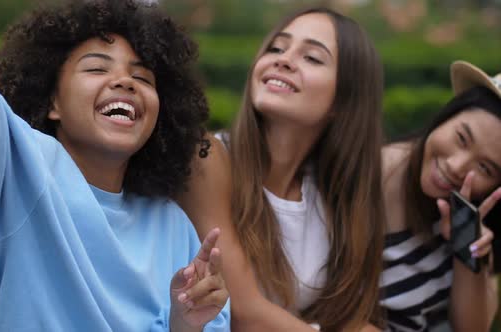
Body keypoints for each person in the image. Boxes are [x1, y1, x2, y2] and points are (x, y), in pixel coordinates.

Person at [0, 0, 230, 331]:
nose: (125, 81)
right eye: (96, 68)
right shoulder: (16, 169)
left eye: (142, 77)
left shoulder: (173, 224)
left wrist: (185, 323)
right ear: (53, 102)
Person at [177, 7, 385, 332]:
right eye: (276, 47)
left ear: (344, 100)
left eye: (312, 58)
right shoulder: (208, 157)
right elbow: (243, 312)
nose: (284, 60)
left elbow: (351, 318)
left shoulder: (332, 191)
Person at [380, 60, 501, 331]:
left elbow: (472, 328)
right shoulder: (375, 175)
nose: (456, 167)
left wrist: (466, 250)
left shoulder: (475, 217)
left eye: (484, 167)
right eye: (461, 138)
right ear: (447, 116)